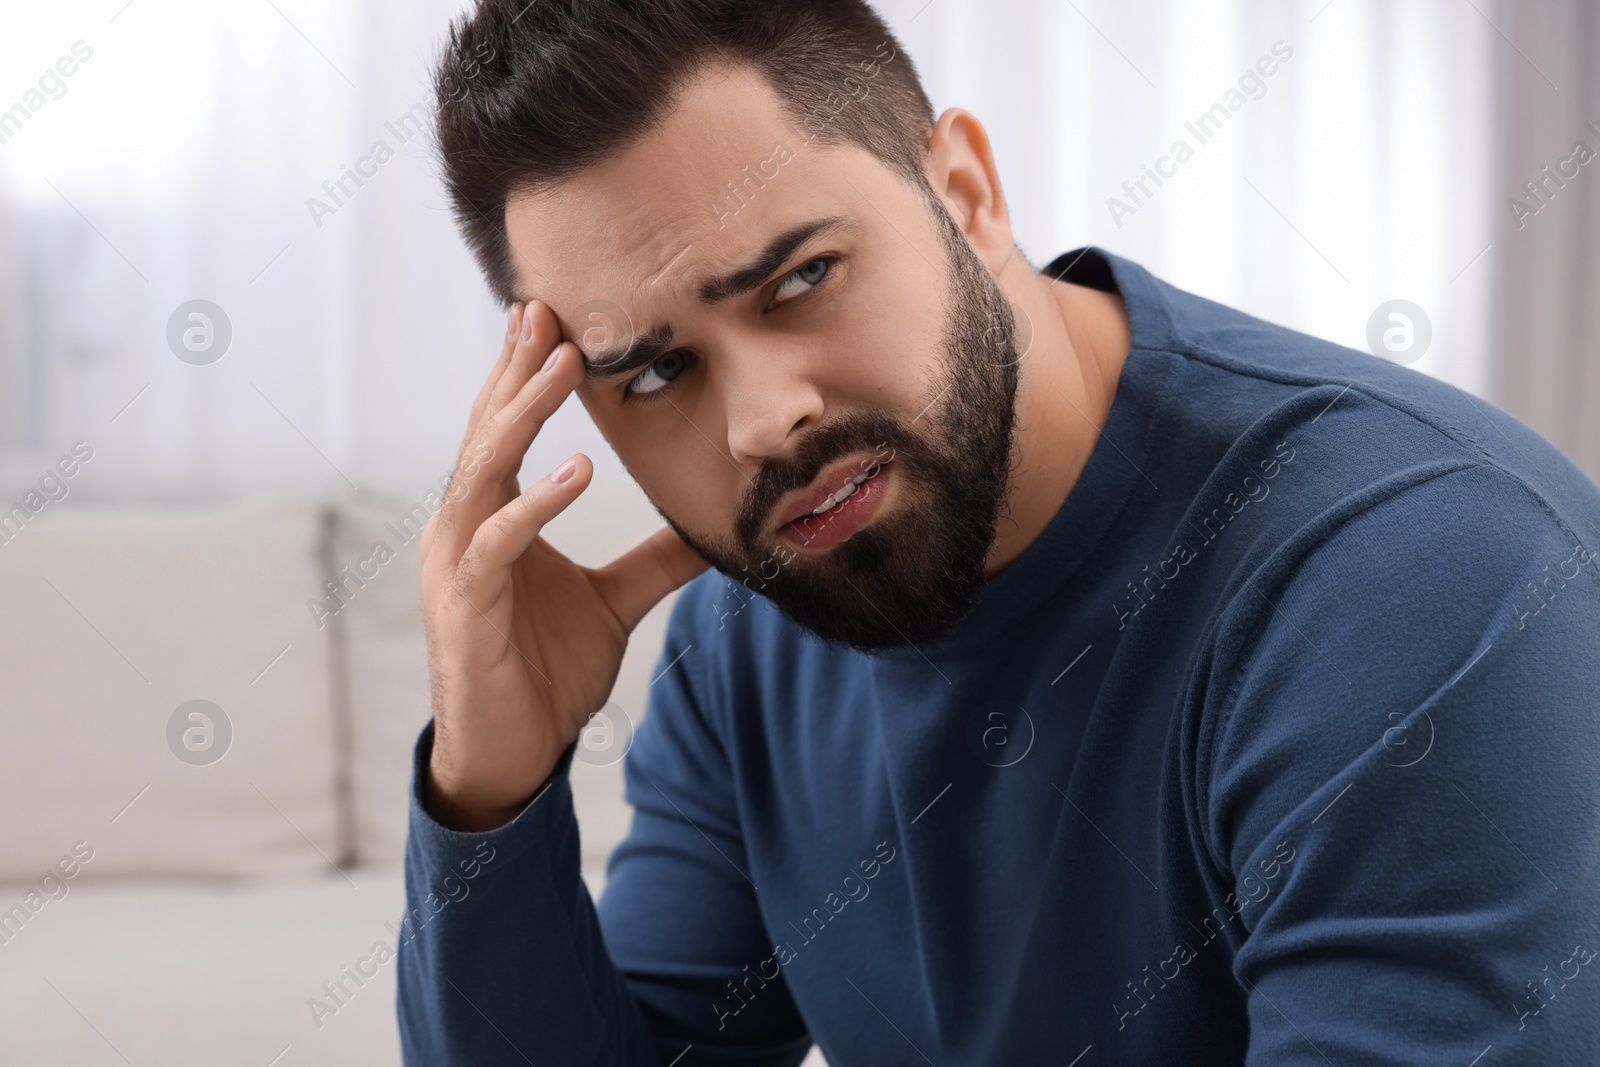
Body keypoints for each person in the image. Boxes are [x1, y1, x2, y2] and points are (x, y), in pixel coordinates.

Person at [398, 1, 1600, 1062]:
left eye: (803, 277)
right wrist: (488, 788)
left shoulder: (1422, 579)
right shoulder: (745, 633)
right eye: (657, 372)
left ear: (964, 192)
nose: (764, 425)